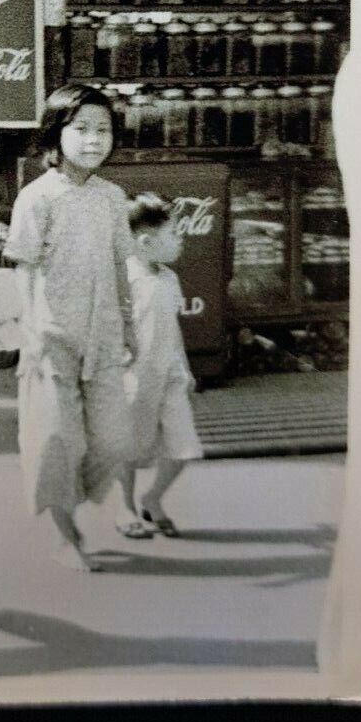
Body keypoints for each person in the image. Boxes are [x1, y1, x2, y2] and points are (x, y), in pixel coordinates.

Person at [5, 84, 137, 572]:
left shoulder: (112, 197)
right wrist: (30, 334)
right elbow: (24, 267)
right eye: (80, 129)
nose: (93, 140)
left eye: (103, 130)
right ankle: (66, 536)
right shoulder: (36, 198)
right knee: (55, 441)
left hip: (103, 335)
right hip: (51, 337)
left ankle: (79, 501)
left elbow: (121, 265)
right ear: (55, 134)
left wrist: (127, 325)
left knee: (116, 441)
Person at [114, 193, 204, 541]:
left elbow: (171, 326)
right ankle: (124, 506)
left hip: (169, 374)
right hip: (134, 377)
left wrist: (184, 366)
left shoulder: (168, 279)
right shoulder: (126, 279)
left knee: (184, 446)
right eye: (174, 234)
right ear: (146, 241)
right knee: (129, 447)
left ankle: (152, 497)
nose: (180, 241)